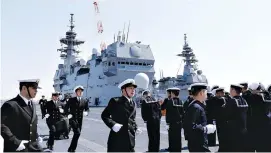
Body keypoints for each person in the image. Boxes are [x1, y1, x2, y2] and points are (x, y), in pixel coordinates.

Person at [1, 79, 43, 152]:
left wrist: (36, 136)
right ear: (24, 88)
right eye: (33, 88)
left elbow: (30, 123)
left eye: (36, 88)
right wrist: (16, 143)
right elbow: (1, 125)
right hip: (18, 148)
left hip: (33, 146)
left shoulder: (32, 105)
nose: (36, 91)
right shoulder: (11, 105)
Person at [101, 79, 141, 152]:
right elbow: (104, 115)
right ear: (123, 90)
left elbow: (132, 119)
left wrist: (135, 128)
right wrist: (113, 125)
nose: (133, 90)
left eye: (134, 88)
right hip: (117, 141)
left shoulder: (134, 103)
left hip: (130, 141)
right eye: (130, 88)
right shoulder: (115, 101)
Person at [184, 83, 216, 152]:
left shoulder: (196, 105)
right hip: (198, 143)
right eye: (206, 92)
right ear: (201, 93)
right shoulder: (196, 107)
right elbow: (191, 126)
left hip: (198, 142)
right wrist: (205, 129)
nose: (206, 95)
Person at [224, 84, 249, 152]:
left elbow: (225, 114)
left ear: (233, 90)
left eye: (230, 90)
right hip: (243, 128)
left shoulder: (232, 101)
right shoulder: (244, 100)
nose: (229, 91)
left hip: (233, 129)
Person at [65, 85, 89, 152]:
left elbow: (87, 109)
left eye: (81, 91)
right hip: (73, 119)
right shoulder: (71, 100)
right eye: (78, 91)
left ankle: (71, 149)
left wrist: (86, 112)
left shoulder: (84, 101)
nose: (80, 92)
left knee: (77, 134)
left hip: (80, 120)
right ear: (76, 92)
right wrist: (68, 114)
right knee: (77, 133)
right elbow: (65, 108)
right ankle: (72, 149)